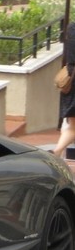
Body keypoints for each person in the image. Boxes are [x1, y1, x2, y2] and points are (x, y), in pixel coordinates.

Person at [52, 22, 75, 158]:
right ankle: (56, 151)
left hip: (70, 76)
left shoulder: (71, 28)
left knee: (72, 125)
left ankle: (57, 151)